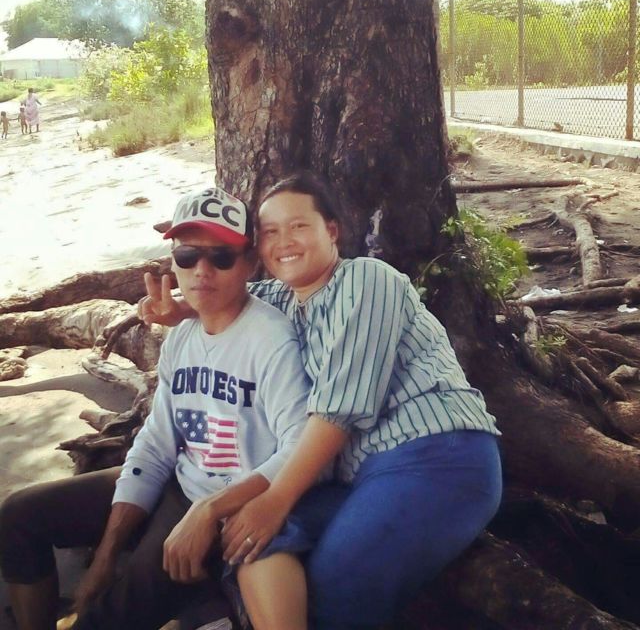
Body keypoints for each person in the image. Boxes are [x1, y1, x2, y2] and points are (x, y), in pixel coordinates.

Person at [140, 171, 503, 629]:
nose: (284, 242)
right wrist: (180, 311)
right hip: (356, 478)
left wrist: (273, 500)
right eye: (270, 232)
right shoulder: (282, 298)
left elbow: (337, 413)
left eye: (298, 226)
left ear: (332, 230)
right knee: (250, 541)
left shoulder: (366, 280)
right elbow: (228, 294)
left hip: (435, 456)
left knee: (336, 583)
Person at [0, 186, 333, 630]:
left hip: (226, 507)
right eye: (187, 256)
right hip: (179, 484)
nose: (201, 271)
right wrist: (107, 552)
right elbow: (156, 442)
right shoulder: (182, 337)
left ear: (250, 263)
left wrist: (211, 509)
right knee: (19, 516)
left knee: (104, 616)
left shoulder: (271, 340)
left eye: (221, 257)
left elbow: (301, 448)